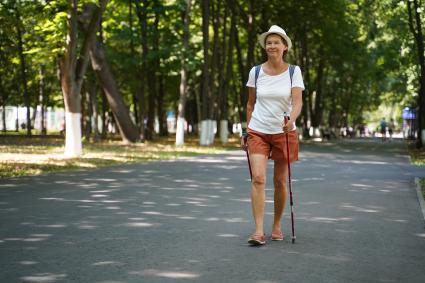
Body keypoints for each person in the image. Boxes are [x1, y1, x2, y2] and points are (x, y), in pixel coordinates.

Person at [241, 25, 304, 246]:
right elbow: (250, 104)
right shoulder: (256, 71)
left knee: (279, 181)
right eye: (269, 42)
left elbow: (297, 102)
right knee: (258, 178)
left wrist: (292, 120)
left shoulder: (293, 71)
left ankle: (276, 226)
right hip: (258, 130)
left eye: (276, 42)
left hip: (283, 133)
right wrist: (247, 131)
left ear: (285, 46)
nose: (272, 45)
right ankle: (258, 231)